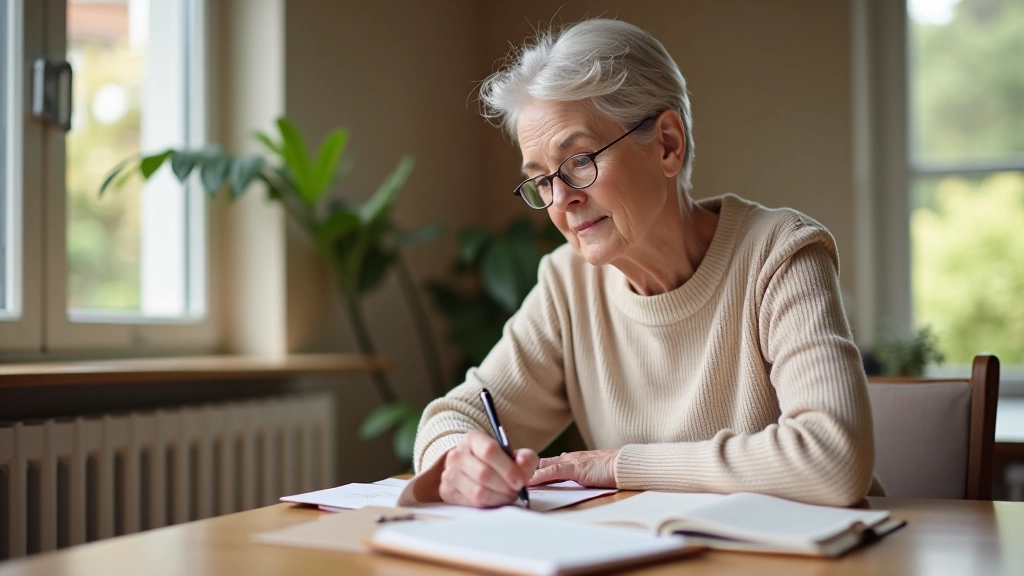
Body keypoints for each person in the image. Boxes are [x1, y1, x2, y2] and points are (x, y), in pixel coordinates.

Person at [411, 18, 879, 508]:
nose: (562, 199)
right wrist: (460, 463)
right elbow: (452, 417)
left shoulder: (778, 255)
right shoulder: (568, 283)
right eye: (543, 180)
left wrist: (618, 466)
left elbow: (834, 457)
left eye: (580, 161)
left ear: (667, 144)